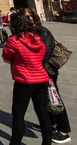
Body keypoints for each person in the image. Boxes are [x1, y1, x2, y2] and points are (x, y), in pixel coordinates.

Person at [2, 13, 52, 145]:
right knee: (43, 113)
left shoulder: (13, 40)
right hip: (41, 80)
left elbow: (6, 58)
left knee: (18, 114)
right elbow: (41, 56)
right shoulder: (38, 39)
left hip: (24, 81)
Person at [25, 8, 72, 143]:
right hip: (39, 71)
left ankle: (64, 131)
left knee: (54, 99)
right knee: (45, 99)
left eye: (29, 17)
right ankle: (49, 124)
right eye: (25, 18)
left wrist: (32, 62)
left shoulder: (42, 31)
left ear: (34, 17)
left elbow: (46, 52)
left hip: (47, 71)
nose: (27, 20)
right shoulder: (30, 32)